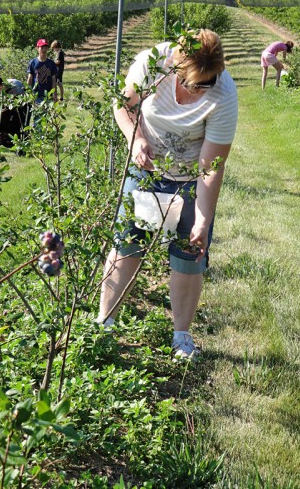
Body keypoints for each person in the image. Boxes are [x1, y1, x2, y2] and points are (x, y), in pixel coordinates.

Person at [97, 29, 238, 360]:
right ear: (175, 65)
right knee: (128, 244)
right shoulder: (151, 64)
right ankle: (104, 322)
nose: (200, 91)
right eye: (194, 84)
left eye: (207, 83)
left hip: (190, 179)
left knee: (189, 253)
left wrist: (202, 220)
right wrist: (137, 138)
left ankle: (181, 336)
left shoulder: (224, 95)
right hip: (148, 173)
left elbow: (211, 166)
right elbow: (123, 106)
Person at [27, 39, 57, 103]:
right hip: (35, 95)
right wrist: (28, 93)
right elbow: (30, 79)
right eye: (42, 47)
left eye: (46, 47)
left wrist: (54, 94)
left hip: (48, 95)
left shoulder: (51, 63)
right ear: (37, 48)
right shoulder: (33, 62)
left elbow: (54, 80)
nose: (44, 49)